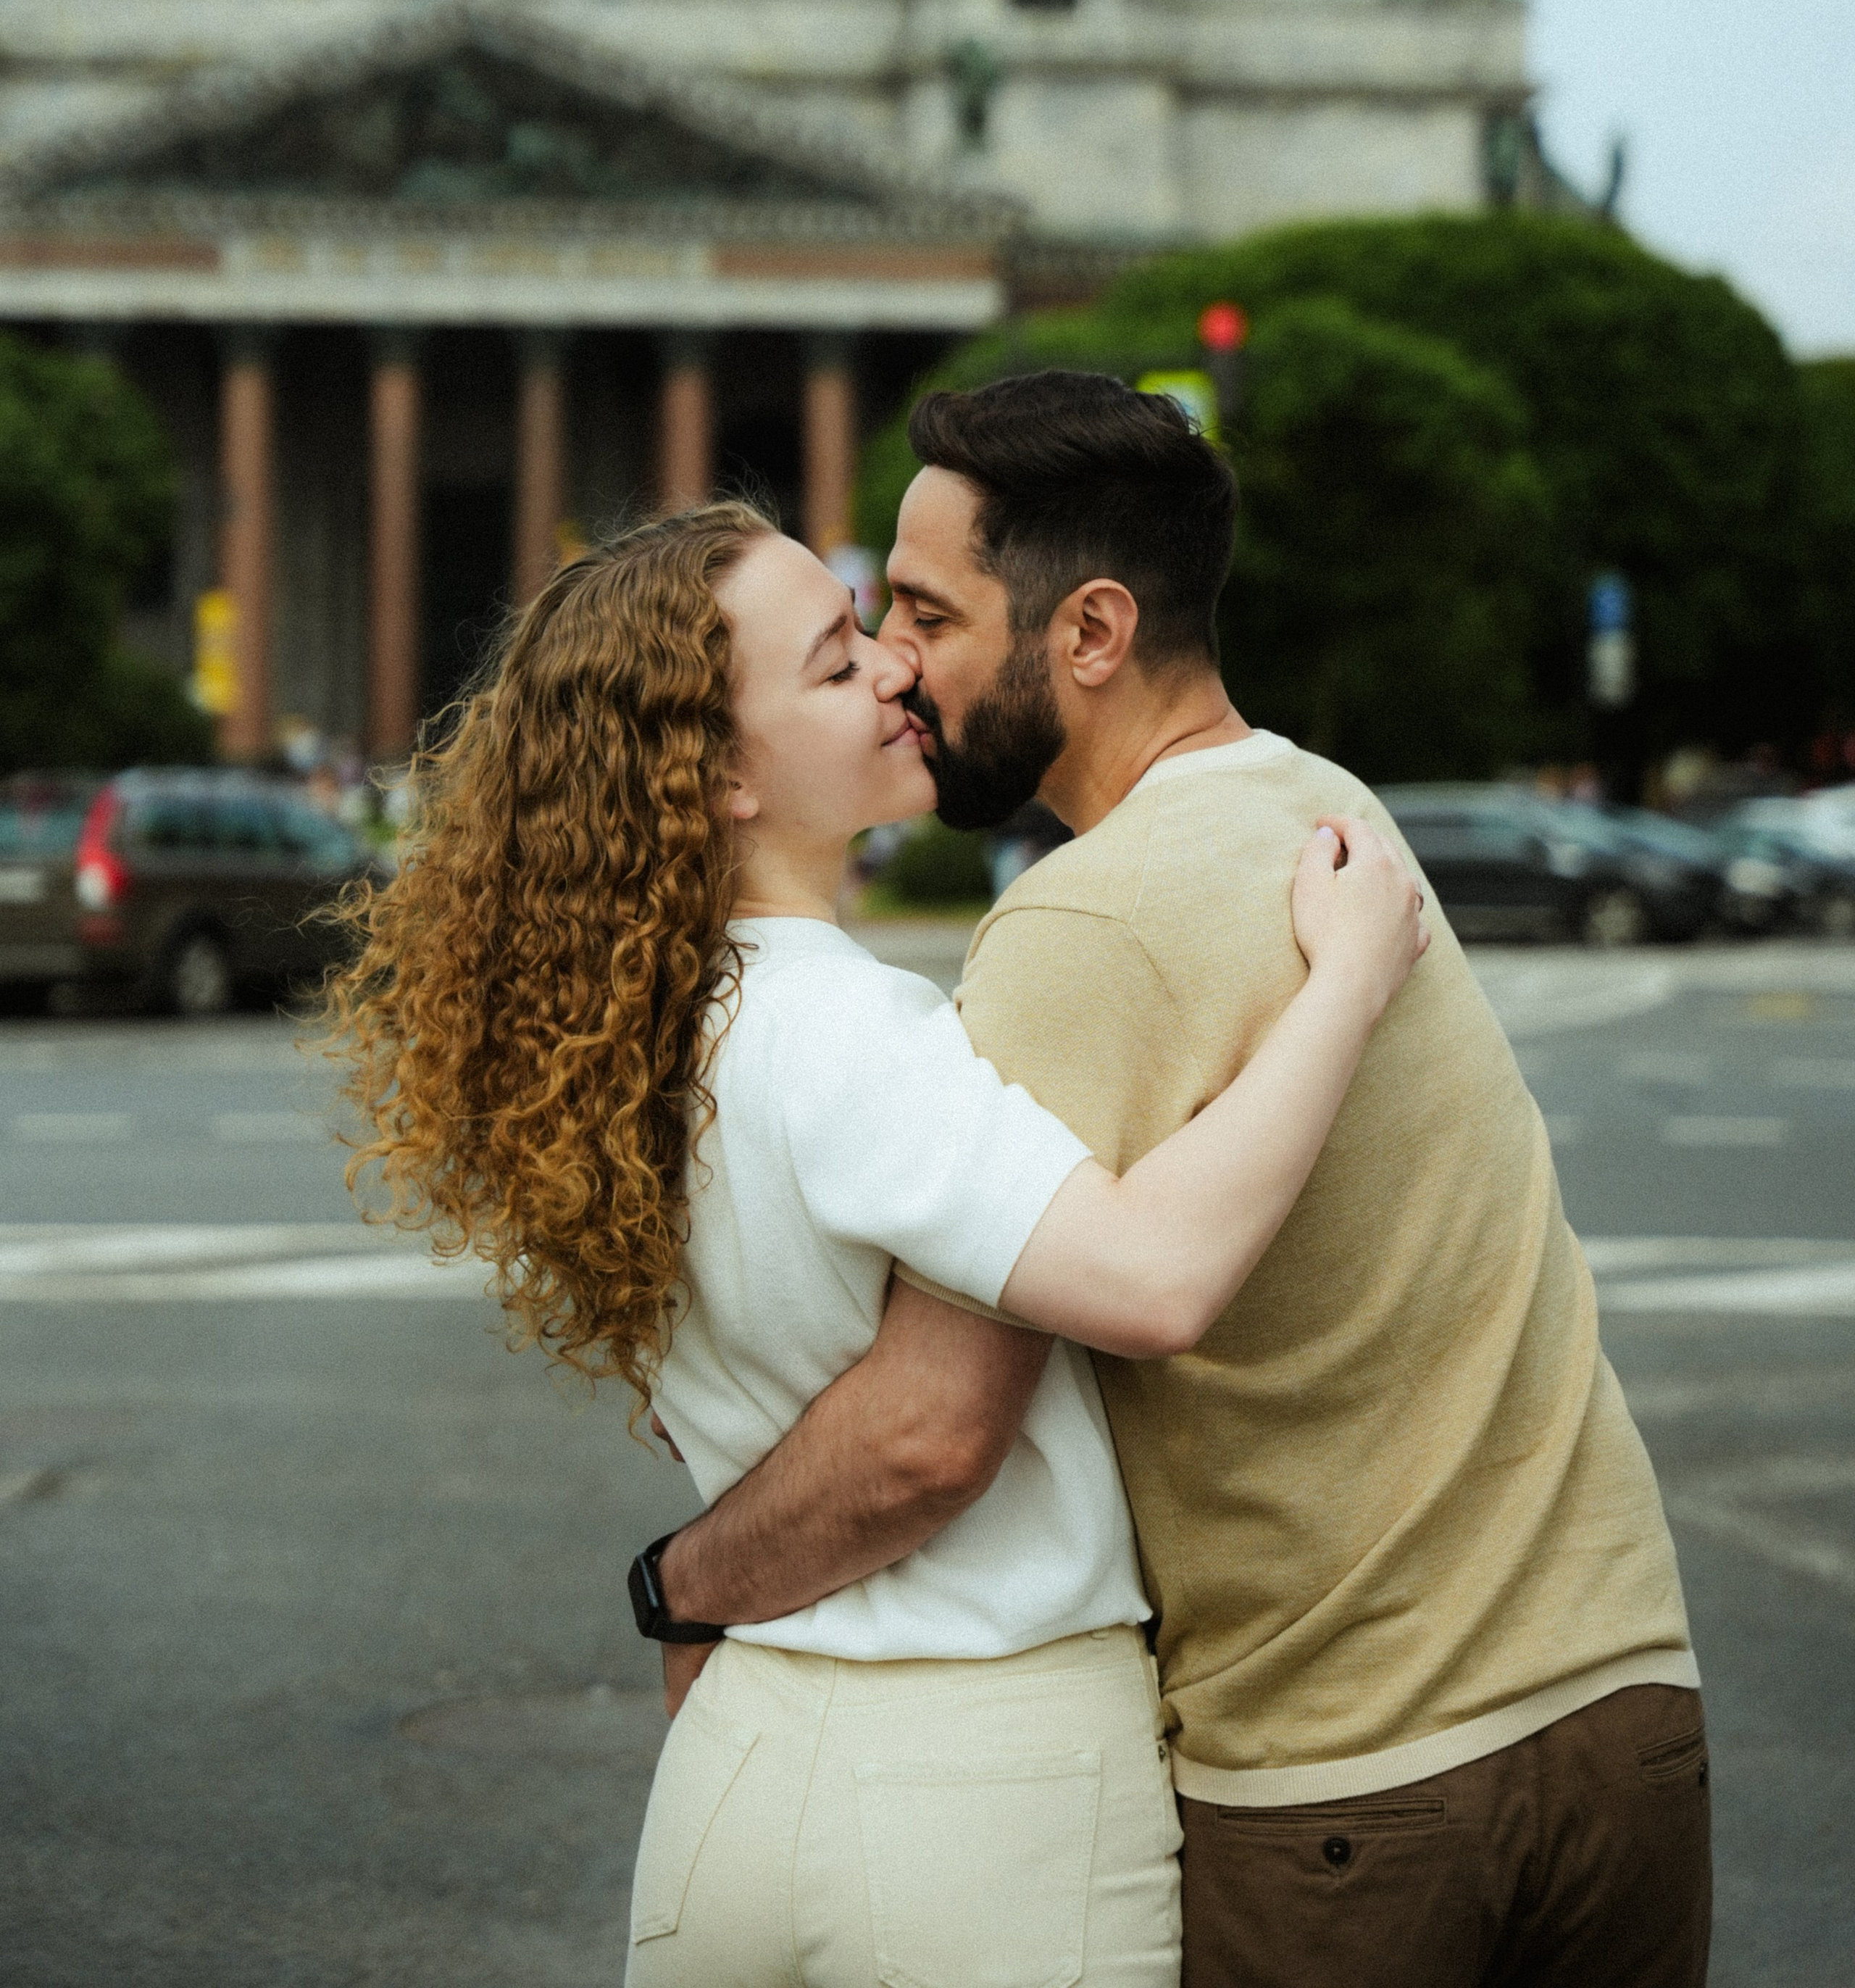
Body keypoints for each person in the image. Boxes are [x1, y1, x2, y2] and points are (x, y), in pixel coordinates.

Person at [652, 373, 1713, 1988]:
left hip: (1354, 1769)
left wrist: (689, 1583)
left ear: (1089, 632)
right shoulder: (1332, 811)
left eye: (927, 614)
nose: (898, 663)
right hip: (1625, 1708)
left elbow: (933, 1429)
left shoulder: (1079, 925)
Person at [331, 495, 1427, 1988]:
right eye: (837, 664)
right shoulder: (851, 1027)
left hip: (735, 1769)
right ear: (723, 774)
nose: (897, 669)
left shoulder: (629, 1043)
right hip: (986, 1784)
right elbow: (1153, 1278)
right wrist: (1346, 985)